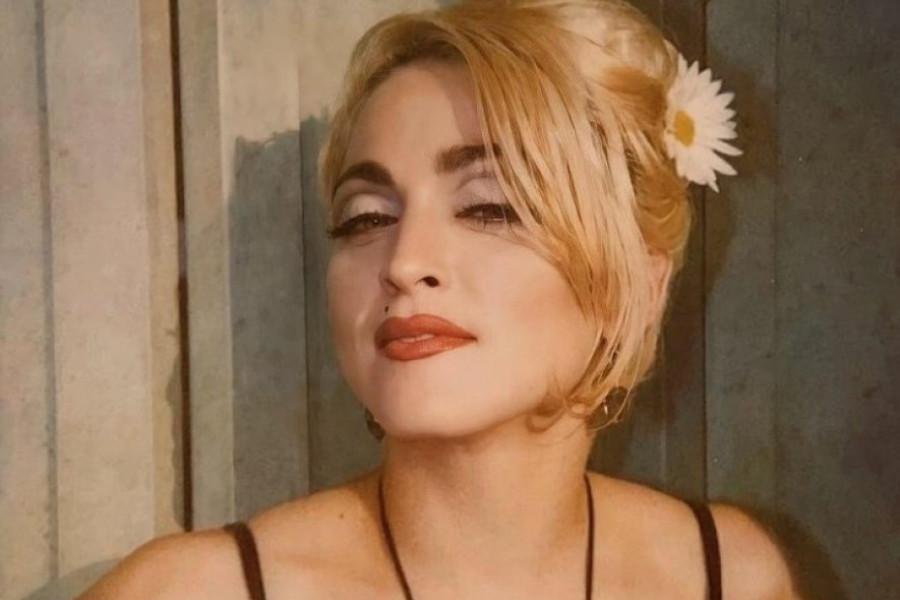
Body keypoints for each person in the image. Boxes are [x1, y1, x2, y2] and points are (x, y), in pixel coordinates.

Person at [81, 1, 798, 598]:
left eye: (489, 206)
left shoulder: (732, 576)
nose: (404, 263)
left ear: (637, 287)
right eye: (365, 218)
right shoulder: (187, 591)